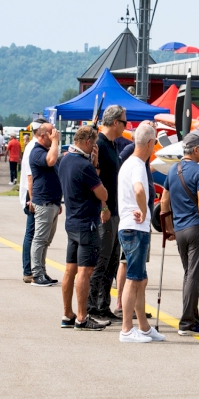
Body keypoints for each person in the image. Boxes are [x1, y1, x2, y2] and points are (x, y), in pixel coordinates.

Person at [161, 132, 199, 336]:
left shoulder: (172, 170)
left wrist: (168, 228)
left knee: (189, 275)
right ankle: (186, 323)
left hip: (179, 230)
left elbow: (164, 202)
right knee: (194, 277)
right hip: (196, 229)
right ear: (195, 150)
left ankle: (193, 320)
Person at [58, 126, 110, 330]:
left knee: (70, 269)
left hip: (71, 221)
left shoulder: (65, 160)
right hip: (86, 223)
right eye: (94, 144)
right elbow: (102, 194)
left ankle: (67, 313)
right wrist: (94, 167)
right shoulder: (83, 166)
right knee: (85, 271)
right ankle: (81, 316)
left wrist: (94, 164)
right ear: (88, 142)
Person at [117, 123, 164, 343]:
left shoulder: (129, 163)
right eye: (154, 142)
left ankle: (143, 327)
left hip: (131, 227)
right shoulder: (137, 165)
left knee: (140, 279)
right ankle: (127, 329)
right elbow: (138, 189)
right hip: (134, 228)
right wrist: (145, 210)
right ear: (150, 143)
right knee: (134, 279)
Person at [87, 106, 126, 323]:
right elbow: (97, 179)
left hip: (115, 210)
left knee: (111, 261)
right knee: (101, 260)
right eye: (124, 122)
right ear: (114, 123)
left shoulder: (112, 144)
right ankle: (92, 306)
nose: (126, 126)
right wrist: (103, 206)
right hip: (106, 211)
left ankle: (103, 304)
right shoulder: (100, 144)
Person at [28, 123, 62, 288]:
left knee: (46, 240)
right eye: (52, 134)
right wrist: (55, 142)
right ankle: (36, 273)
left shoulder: (47, 151)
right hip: (44, 201)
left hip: (52, 201)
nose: (55, 136)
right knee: (40, 239)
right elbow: (51, 160)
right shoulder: (37, 152)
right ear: (43, 136)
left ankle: (42, 270)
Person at [19, 118, 47, 283]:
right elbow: (31, 178)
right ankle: (29, 270)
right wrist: (33, 200)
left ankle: (35, 269)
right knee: (32, 234)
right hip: (33, 195)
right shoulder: (33, 148)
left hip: (33, 194)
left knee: (35, 234)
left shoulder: (34, 146)